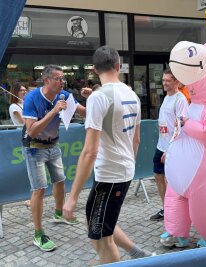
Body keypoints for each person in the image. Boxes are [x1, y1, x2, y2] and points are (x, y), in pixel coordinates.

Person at [63, 46, 151, 264]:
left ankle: (111, 260)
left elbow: (90, 151)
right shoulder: (130, 94)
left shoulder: (99, 98)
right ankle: (135, 252)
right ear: (118, 66)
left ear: (94, 69)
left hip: (110, 174)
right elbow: (136, 138)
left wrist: (71, 197)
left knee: (101, 236)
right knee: (99, 223)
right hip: (122, 169)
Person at [22, 65, 89, 252]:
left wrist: (92, 96)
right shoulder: (32, 97)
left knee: (60, 180)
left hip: (53, 145)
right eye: (58, 79)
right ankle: (38, 234)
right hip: (34, 147)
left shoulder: (65, 95)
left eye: (63, 79)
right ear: (47, 80)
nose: (62, 82)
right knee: (40, 189)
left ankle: (59, 214)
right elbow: (31, 129)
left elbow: (86, 112)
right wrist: (53, 112)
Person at [150, 69, 189, 221]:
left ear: (176, 82)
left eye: (168, 80)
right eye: (164, 80)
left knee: (172, 180)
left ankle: (177, 210)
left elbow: (181, 125)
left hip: (172, 147)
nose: (164, 83)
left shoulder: (180, 99)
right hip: (161, 145)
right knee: (158, 175)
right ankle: (166, 208)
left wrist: (170, 148)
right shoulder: (167, 97)